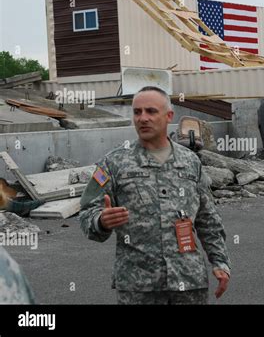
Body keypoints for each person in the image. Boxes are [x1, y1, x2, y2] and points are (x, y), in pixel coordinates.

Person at [78, 86, 230, 304]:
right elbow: (86, 213)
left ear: (169, 116)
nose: (143, 118)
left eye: (151, 111)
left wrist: (220, 262)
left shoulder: (190, 162)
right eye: (137, 112)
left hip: (188, 282)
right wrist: (100, 221)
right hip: (138, 287)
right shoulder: (113, 163)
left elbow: (208, 219)